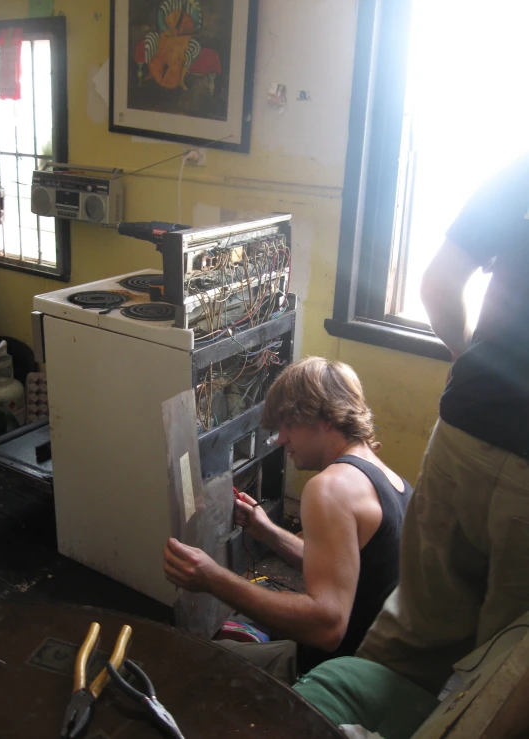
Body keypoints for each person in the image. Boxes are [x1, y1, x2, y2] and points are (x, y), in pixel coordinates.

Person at [356, 153, 529, 695]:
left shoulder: (518, 174)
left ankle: (345, 721)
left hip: (466, 425)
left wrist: (466, 356)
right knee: (502, 657)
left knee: (416, 626)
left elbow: (437, 284)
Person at [164, 357, 412, 683]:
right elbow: (341, 569)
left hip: (333, 674)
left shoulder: (329, 489)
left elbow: (327, 626)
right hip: (374, 664)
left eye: (289, 425)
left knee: (190, 663)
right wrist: (268, 532)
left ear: (325, 418)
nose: (281, 438)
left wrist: (212, 578)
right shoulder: (387, 479)